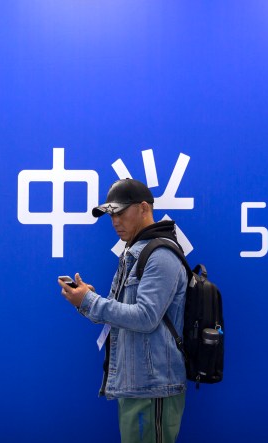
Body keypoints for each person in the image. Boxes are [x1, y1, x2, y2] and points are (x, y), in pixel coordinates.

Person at [58, 178, 188, 443]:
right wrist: (85, 300)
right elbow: (124, 314)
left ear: (143, 208)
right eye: (111, 214)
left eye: (120, 212)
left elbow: (145, 317)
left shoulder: (160, 255)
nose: (114, 220)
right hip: (136, 384)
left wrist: (91, 302)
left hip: (154, 387)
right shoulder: (135, 252)